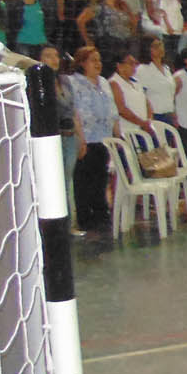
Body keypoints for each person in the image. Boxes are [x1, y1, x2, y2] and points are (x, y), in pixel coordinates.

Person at [69, 47, 117, 234]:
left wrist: (116, 135)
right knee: (83, 181)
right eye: (92, 60)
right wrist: (80, 140)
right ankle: (85, 219)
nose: (97, 63)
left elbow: (112, 111)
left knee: (100, 179)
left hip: (103, 138)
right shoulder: (74, 83)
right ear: (82, 62)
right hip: (86, 139)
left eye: (99, 60)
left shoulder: (104, 83)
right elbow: (75, 112)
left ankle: (101, 215)